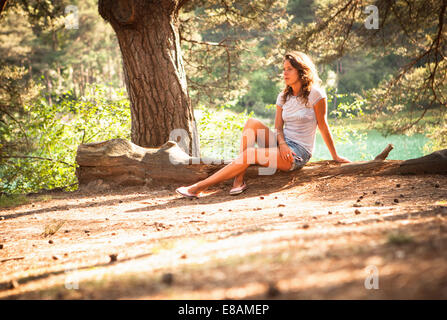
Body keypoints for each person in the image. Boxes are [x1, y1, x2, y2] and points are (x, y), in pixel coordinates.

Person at [175, 51, 351, 199]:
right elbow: (278, 128)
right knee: (251, 123)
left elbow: (323, 126)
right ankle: (239, 179)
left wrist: (335, 156)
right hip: (282, 142)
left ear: (301, 71)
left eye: (289, 69)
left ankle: (198, 187)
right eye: (284, 69)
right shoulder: (283, 97)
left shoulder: (315, 95)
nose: (285, 73)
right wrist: (281, 144)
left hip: (298, 152)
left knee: (251, 153)